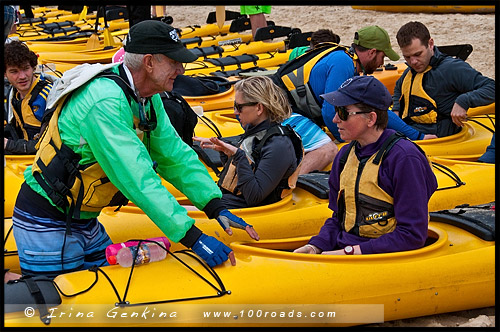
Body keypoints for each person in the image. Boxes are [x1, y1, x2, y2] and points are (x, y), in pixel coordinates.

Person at [11, 20, 259, 278]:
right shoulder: (104, 101)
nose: (181, 69)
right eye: (174, 61)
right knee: (64, 310)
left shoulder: (147, 97)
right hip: (47, 219)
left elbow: (173, 154)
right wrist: (193, 237)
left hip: (85, 220)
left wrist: (214, 204)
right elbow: (136, 176)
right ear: (149, 62)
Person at [294, 75, 437, 255]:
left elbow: (412, 235)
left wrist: (349, 252)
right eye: (336, 110)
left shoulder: (404, 158)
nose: (335, 119)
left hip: (382, 258)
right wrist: (316, 245)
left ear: (371, 118)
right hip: (347, 251)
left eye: (344, 112)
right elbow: (339, 219)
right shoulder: (345, 156)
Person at [278, 25, 429, 174]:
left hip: (284, 107)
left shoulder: (347, 60)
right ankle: (287, 190)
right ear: (372, 52)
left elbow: (376, 109)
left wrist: (416, 136)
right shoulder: (342, 62)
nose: (382, 63)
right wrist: (350, 143)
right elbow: (329, 112)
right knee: (328, 149)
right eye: (382, 57)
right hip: (277, 111)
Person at [193, 76, 303, 209]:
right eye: (234, 106)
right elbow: (239, 179)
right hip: (230, 201)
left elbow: (254, 197)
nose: (235, 112)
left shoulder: (279, 145)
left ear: (259, 108)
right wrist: (226, 152)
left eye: (239, 107)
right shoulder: (255, 133)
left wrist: (238, 156)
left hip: (248, 210)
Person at [392, 21, 495, 137]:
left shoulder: (452, 68)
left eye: (418, 54)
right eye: (407, 57)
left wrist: (464, 101)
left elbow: (492, 87)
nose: (413, 62)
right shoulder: (410, 71)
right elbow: (399, 88)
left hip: (438, 138)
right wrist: (396, 108)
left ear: (430, 44)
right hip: (411, 132)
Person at [4, 40, 58, 155]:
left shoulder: (48, 96)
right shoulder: (14, 94)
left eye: (25, 68)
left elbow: (48, 145)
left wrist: (9, 145)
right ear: (5, 74)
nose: (22, 76)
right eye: (14, 72)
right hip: (26, 152)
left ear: (33, 67)